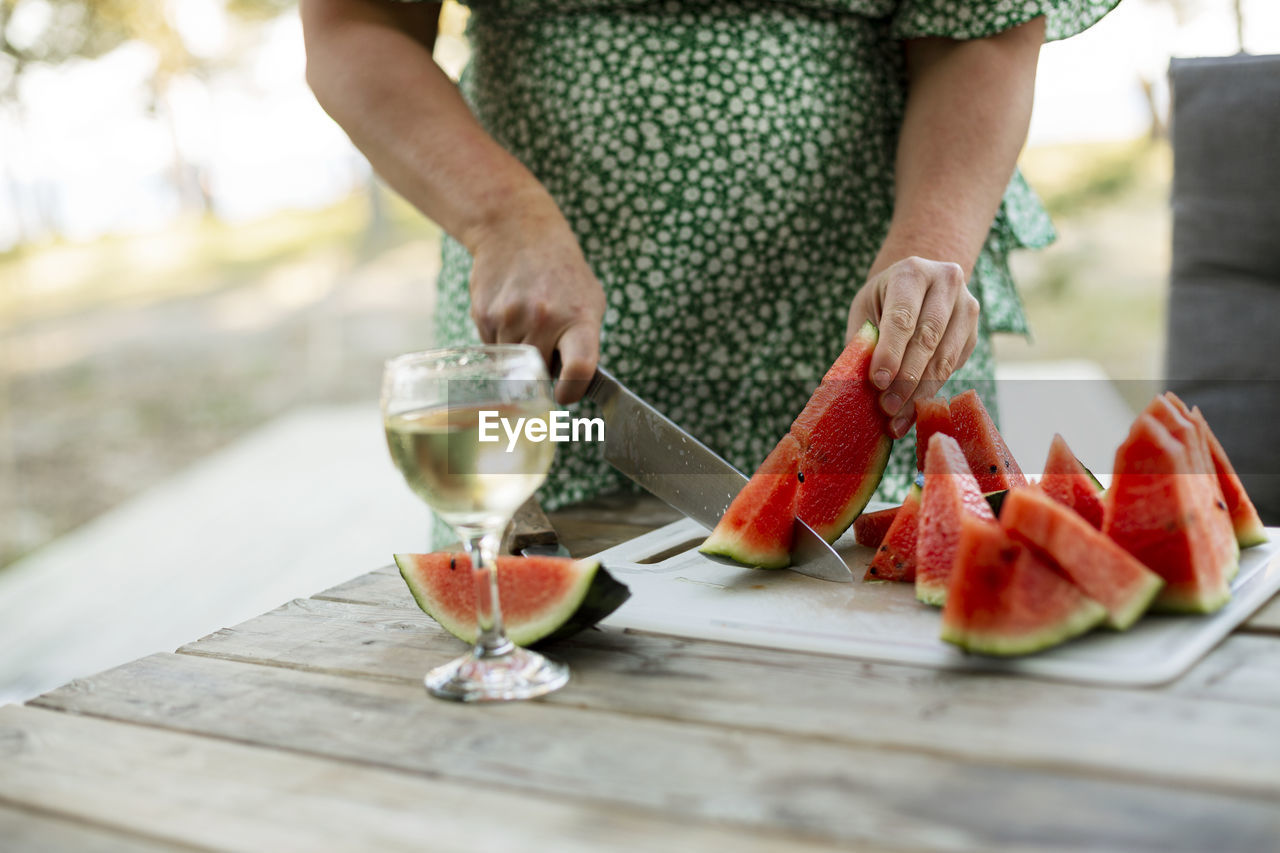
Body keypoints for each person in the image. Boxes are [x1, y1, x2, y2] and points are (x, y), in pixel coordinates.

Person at [301, 0, 1119, 511]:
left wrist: (929, 246)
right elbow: (351, 22)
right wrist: (500, 219)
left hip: (866, 333)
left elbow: (981, 28)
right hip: (545, 329)